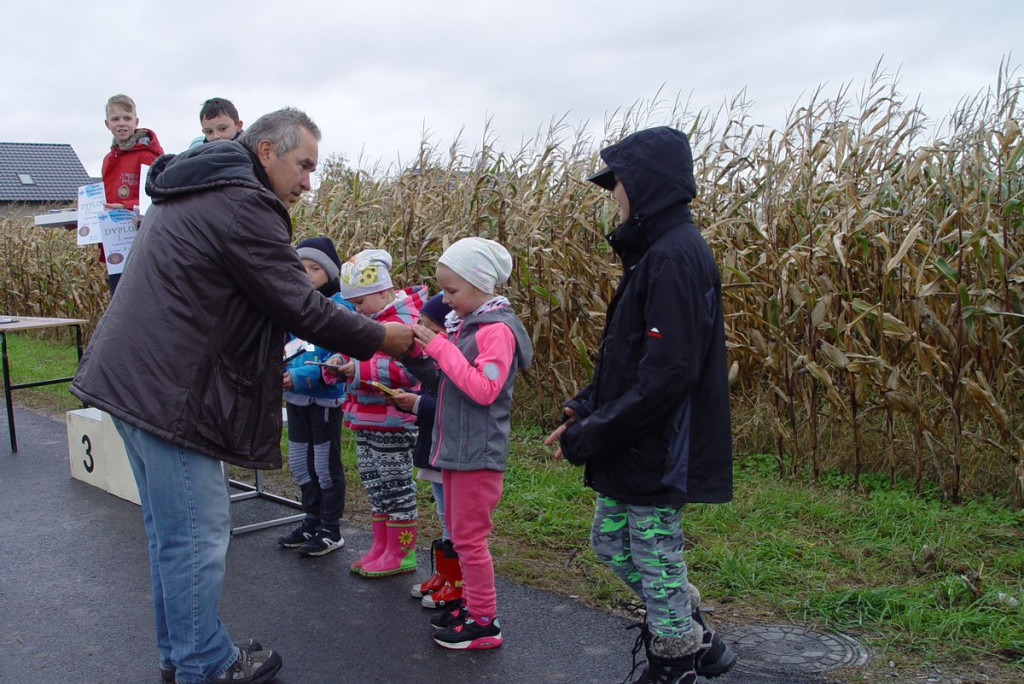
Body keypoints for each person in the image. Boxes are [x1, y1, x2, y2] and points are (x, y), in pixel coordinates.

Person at [70, 107, 414, 684]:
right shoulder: (243, 202)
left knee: (170, 535)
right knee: (197, 536)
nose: (309, 181)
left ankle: (183, 657)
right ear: (266, 153)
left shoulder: (193, 186)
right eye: (303, 165)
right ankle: (205, 664)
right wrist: (384, 337)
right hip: (169, 394)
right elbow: (299, 305)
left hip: (132, 380)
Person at [543, 126, 736, 684]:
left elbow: (669, 376)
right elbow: (632, 358)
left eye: (619, 184)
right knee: (609, 544)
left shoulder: (676, 256)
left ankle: (675, 662)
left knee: (655, 558)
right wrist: (584, 407)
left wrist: (594, 435)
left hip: (659, 444)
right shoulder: (654, 253)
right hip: (635, 437)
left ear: (647, 185)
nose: (614, 196)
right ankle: (691, 627)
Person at [409, 237, 533, 650]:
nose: (445, 300)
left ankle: (484, 621)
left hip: (477, 454)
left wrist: (442, 348)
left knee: (470, 540)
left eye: (452, 291)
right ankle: (474, 607)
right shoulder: (471, 327)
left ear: (481, 285)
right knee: (462, 537)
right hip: (459, 449)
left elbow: (484, 390)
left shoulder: (496, 331)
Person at [325, 249, 427, 578]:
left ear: (383, 291)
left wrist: (356, 368)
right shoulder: (369, 321)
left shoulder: (406, 322)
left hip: (394, 421)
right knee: (374, 483)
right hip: (365, 419)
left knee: (396, 484)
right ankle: (381, 545)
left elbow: (411, 373)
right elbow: (354, 355)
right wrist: (340, 365)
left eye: (359, 304)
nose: (356, 311)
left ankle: (402, 550)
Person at [277, 236, 353, 558]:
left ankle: (330, 528)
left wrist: (295, 377)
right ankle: (310, 520)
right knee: (299, 462)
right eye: (300, 267)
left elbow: (332, 356)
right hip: (294, 399)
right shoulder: (290, 307)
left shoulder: (340, 308)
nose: (306, 273)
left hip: (323, 400)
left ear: (330, 273)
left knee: (324, 465)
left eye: (314, 268)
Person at [389, 293, 462, 608]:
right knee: (444, 514)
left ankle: (457, 583)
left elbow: (448, 403)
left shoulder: (452, 360)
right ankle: (445, 575)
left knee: (454, 519)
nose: (417, 329)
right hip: (433, 448)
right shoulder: (436, 361)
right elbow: (429, 386)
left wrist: (415, 403)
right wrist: (410, 395)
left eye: (425, 326)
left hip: (447, 448)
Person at [100, 93, 164, 293]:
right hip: (115, 245)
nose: (121, 124)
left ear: (136, 122)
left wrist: (126, 207)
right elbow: (106, 200)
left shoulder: (148, 156)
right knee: (117, 300)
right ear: (107, 123)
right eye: (115, 119)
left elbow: (158, 196)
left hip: (141, 239)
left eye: (127, 118)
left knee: (142, 299)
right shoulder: (108, 159)